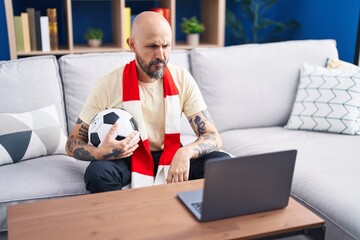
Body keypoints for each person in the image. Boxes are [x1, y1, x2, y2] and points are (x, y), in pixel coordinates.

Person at [65, 11, 230, 193]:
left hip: (171, 151)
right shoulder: (107, 84)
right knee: (97, 174)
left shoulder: (182, 78)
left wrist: (186, 152)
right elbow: (72, 142)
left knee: (222, 164)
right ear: (132, 45)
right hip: (125, 156)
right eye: (152, 46)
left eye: (166, 46)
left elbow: (213, 136)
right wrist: (99, 152)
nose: (160, 55)